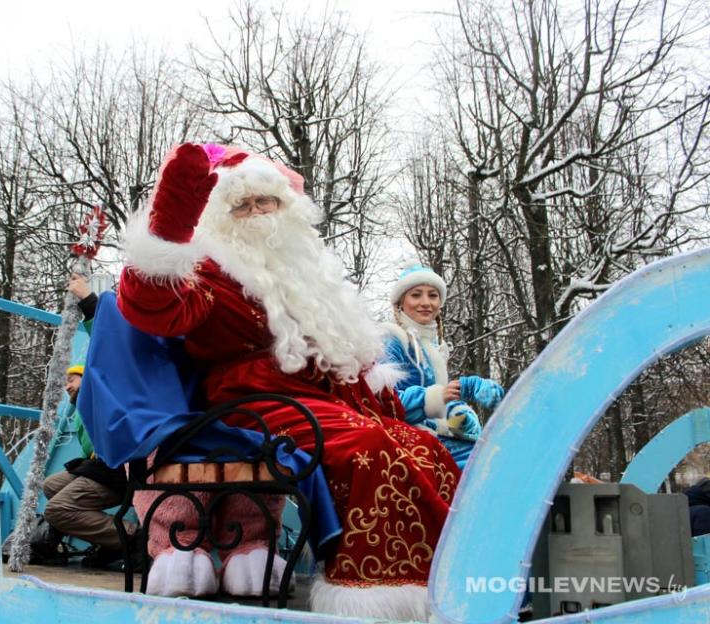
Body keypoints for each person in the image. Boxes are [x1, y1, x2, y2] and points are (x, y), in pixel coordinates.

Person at [114, 142, 460, 620]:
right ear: (221, 218)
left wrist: (385, 403)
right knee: (367, 446)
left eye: (267, 201)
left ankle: (444, 578)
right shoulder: (211, 272)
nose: (258, 213)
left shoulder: (305, 275)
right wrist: (169, 228)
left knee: (423, 445)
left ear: (287, 208)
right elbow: (153, 306)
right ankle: (375, 589)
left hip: (318, 399)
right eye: (243, 205)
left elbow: (348, 358)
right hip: (250, 399)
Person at [383, 264, 505, 469]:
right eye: (416, 295)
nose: (425, 303)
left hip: (429, 432)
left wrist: (458, 415)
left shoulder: (433, 346)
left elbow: (438, 407)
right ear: (400, 302)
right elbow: (384, 402)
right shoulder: (391, 340)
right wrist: (436, 397)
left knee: (492, 452)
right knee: (482, 464)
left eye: (433, 295)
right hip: (401, 439)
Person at [41, 364, 135, 568]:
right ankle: (108, 541)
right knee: (51, 485)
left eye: (72, 380)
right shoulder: (80, 413)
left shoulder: (101, 398)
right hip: (99, 467)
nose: (67, 387)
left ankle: (134, 537)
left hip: (120, 469)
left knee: (56, 510)